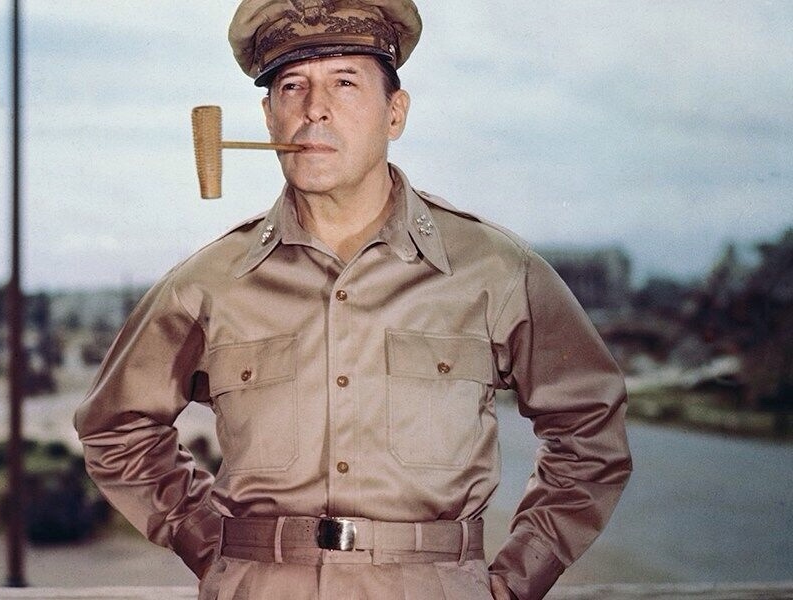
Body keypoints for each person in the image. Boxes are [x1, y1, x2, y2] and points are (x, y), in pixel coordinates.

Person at [74, 1, 632, 599]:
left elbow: (589, 429)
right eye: (293, 87)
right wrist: (215, 550)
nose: (315, 109)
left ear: (395, 113)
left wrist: (517, 580)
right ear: (268, 117)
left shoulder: (493, 270)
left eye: (344, 82)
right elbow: (116, 427)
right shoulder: (210, 282)